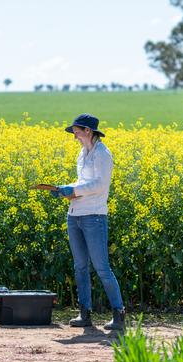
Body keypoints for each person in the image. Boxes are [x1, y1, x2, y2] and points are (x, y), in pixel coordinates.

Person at [50, 113, 126, 330]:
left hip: (94, 216)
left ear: (88, 131)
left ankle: (119, 314)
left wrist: (73, 190)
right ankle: (85, 313)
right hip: (74, 215)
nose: (74, 135)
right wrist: (64, 189)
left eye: (77, 131)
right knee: (80, 267)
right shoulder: (82, 154)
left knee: (102, 267)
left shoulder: (103, 154)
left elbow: (100, 185)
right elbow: (84, 182)